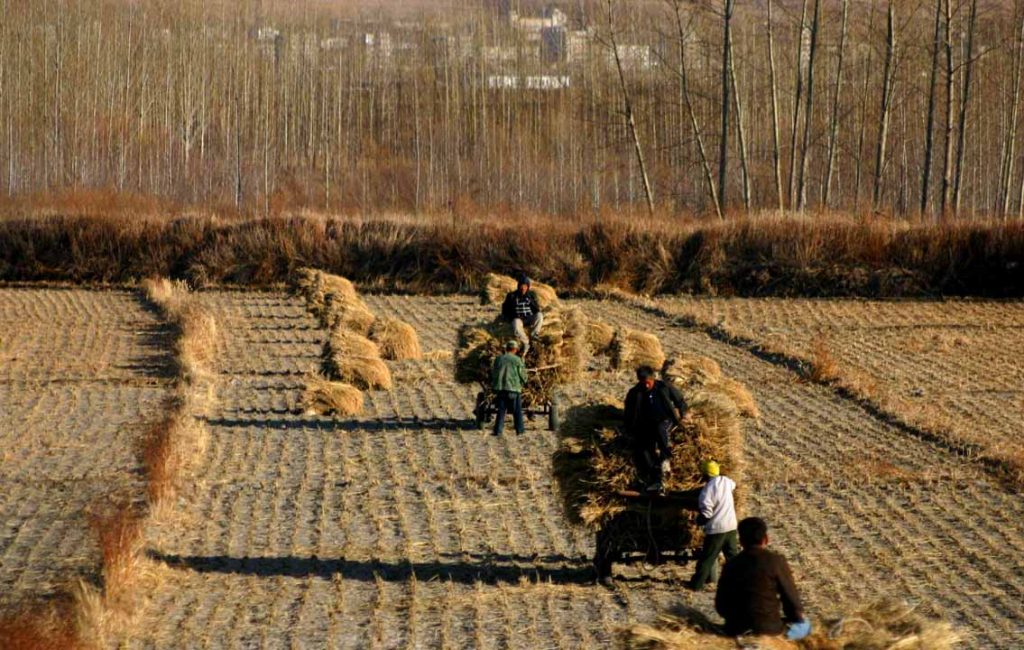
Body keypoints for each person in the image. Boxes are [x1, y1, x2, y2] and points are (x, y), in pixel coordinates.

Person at [715, 517, 812, 642]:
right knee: (806, 627)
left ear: (741, 541)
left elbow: (721, 606)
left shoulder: (731, 564)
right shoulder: (776, 561)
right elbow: (791, 599)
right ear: (766, 539)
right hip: (769, 628)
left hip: (736, 629)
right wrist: (797, 618)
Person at [623, 365, 686, 494]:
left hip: (665, 420)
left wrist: (683, 414)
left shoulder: (663, 387)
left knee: (660, 429)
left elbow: (679, 400)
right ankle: (655, 479)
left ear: (653, 379)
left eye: (648, 383)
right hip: (645, 425)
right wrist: (628, 429)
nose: (646, 386)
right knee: (644, 448)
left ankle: (666, 457)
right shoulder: (634, 393)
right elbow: (628, 413)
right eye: (643, 383)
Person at [688, 460, 739, 591]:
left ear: (705, 474)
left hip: (717, 529)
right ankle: (742, 582)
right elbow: (734, 485)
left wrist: (697, 522)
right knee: (733, 558)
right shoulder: (726, 481)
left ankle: (696, 585)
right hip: (731, 526)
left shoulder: (706, 491)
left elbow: (706, 513)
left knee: (707, 559)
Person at [491, 340, 527, 436]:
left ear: (506, 348)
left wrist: (494, 385)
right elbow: (522, 375)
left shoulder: (498, 359)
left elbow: (493, 372)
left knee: (501, 410)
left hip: (501, 388)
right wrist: (525, 381)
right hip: (513, 389)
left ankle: (498, 431)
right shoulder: (517, 360)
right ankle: (520, 430)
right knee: (517, 411)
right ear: (515, 350)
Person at [501, 274, 544, 355]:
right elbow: (505, 308)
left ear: (528, 287)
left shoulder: (531, 295)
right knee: (516, 324)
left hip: (529, 317)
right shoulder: (511, 296)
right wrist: (506, 317)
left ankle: (534, 334)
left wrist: (535, 307)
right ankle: (525, 341)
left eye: (525, 286)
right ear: (518, 286)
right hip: (519, 318)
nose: (523, 288)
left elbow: (536, 307)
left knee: (540, 315)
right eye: (522, 286)